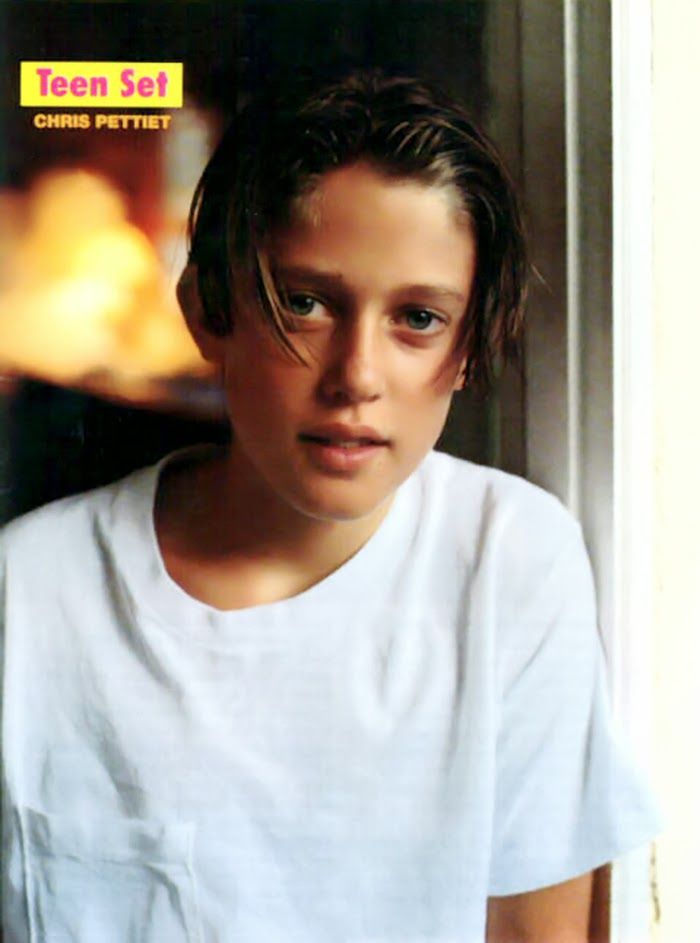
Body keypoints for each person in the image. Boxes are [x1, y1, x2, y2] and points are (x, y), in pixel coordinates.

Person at [0, 70, 658, 942]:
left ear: (468, 350)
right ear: (208, 310)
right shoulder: (31, 591)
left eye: (418, 318)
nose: (357, 377)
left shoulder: (509, 561)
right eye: (306, 304)